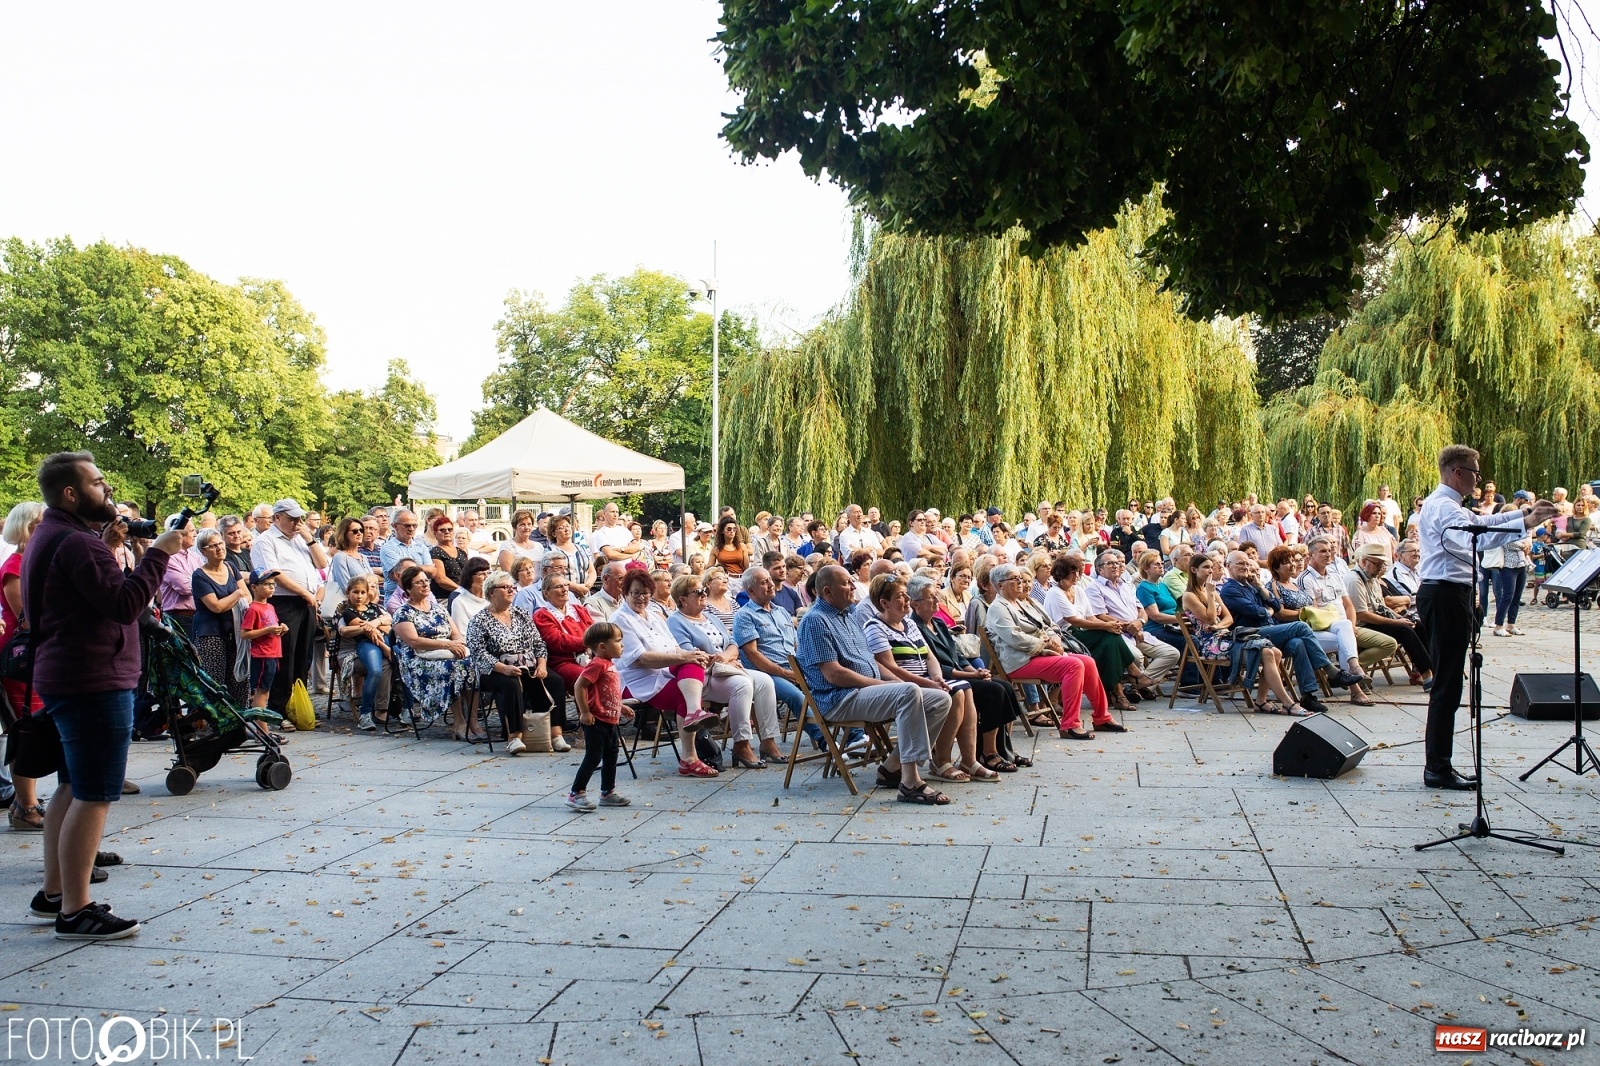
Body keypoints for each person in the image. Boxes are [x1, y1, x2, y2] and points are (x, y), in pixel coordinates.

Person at [23, 454, 185, 939]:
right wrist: (158, 553)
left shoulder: (54, 536)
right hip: (93, 679)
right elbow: (124, 605)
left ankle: (54, 893)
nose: (108, 489)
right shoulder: (77, 545)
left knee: (71, 787)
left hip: (68, 675)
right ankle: (76, 909)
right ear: (71, 494)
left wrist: (112, 544)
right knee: (94, 794)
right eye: (97, 483)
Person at [1417, 445, 1556, 789]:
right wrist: (1523, 521)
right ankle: (1437, 767)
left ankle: (1440, 763)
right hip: (1445, 593)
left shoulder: (1452, 506)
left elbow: (1480, 524)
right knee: (1447, 683)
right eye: (1475, 473)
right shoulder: (1443, 507)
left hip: (1453, 592)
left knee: (1451, 681)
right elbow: (1474, 537)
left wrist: (1522, 519)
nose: (1479, 480)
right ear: (1457, 472)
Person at [795, 564, 952, 804]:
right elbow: (834, 675)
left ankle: (892, 766)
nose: (853, 586)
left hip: (865, 691)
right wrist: (881, 685)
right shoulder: (816, 621)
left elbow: (873, 662)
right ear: (827, 592)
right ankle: (910, 782)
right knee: (909, 692)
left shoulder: (849, 615)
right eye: (846, 583)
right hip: (839, 698)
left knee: (940, 699)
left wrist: (897, 683)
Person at [987, 562, 1123, 740]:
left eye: (1020, 578)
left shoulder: (1027, 602)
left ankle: (1101, 717)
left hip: (1042, 653)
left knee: (1087, 662)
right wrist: (1045, 646)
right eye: (1014, 579)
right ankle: (1069, 725)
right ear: (1000, 585)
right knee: (1073, 665)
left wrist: (1054, 639)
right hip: (1021, 660)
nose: (1020, 582)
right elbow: (1015, 638)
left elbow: (1050, 624)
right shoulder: (998, 608)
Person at [864, 574, 979, 783]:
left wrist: (935, 676)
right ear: (884, 603)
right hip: (904, 685)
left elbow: (929, 655)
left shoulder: (908, 624)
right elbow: (888, 667)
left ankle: (968, 760)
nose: (907, 599)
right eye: (901, 596)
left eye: (907, 595)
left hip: (925, 680)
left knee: (965, 687)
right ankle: (941, 761)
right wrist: (929, 683)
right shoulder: (875, 627)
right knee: (953, 694)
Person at [613, 569, 721, 777]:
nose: (641, 597)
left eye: (645, 593)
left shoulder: (654, 616)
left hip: (663, 672)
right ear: (625, 592)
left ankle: (693, 716)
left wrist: (695, 654)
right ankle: (689, 756)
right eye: (635, 593)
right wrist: (684, 657)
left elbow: (674, 648)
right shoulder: (620, 619)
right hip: (637, 680)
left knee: (694, 661)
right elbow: (640, 659)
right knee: (686, 689)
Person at [668, 574, 782, 768]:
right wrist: (723, 659)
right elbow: (690, 653)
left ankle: (768, 741)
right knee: (742, 685)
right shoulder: (675, 622)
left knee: (764, 681)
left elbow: (732, 642)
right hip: (703, 676)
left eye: (704, 589)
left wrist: (727, 657)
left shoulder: (710, 616)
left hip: (727, 667)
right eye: (698, 591)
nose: (704, 593)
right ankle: (742, 744)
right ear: (683, 599)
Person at [1181, 554, 1306, 715]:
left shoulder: (1211, 591)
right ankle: (1287, 703)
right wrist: (1211, 597)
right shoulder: (1190, 596)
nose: (1210, 571)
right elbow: (1210, 617)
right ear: (1193, 569)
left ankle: (1261, 701)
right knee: (1267, 652)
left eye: (1211, 567)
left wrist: (1217, 625)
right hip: (1210, 644)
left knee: (1276, 652)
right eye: (1206, 567)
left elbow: (1228, 618)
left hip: (1226, 635)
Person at [1219, 551, 1341, 714]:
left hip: (1266, 633)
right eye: (1240, 563)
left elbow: (1276, 606)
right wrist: (1266, 611)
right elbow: (1257, 612)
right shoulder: (1229, 589)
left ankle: (1308, 695)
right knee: (1300, 626)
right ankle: (1329, 669)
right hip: (1250, 636)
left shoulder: (1251, 586)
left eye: (1247, 564)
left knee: (1298, 643)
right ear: (1228, 566)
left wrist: (1260, 587)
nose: (1245, 567)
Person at [468, 571, 565, 754]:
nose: (511, 590)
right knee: (511, 684)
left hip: (527, 665)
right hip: (495, 670)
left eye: (512, 587)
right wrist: (504, 669)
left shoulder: (520, 614)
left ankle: (555, 734)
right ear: (491, 592)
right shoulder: (479, 620)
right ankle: (515, 737)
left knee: (554, 681)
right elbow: (478, 653)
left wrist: (542, 665)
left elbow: (538, 643)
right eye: (505, 587)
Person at [251, 498, 328, 714]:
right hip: (284, 602)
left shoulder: (300, 539)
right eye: (292, 519)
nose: (297, 523)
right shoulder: (266, 540)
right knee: (285, 656)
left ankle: (298, 706)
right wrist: (303, 592)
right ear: (277, 518)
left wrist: (310, 539)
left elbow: (322, 564)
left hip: (306, 603)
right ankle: (279, 708)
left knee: (303, 656)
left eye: (299, 519)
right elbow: (274, 573)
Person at [1042, 555, 1141, 713]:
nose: (1077, 576)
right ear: (1062, 573)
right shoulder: (1055, 593)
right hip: (1065, 635)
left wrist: (1108, 625)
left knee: (1110, 639)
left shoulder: (1079, 590)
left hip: (1082, 633)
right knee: (1110, 637)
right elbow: (1074, 620)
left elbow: (1090, 617)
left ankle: (1118, 692)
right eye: (1072, 572)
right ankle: (1128, 678)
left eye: (1078, 572)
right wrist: (1106, 626)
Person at [2, 501, 46, 832]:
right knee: (25, 729)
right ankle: (25, 805)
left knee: (32, 727)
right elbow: (26, 618)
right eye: (36, 525)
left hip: (37, 655)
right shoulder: (15, 566)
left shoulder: (32, 561)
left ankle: (24, 801)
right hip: (20, 658)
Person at [391, 564, 472, 734]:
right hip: (417, 660)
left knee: (472, 665)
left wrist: (458, 645)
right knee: (454, 668)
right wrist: (448, 645)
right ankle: (459, 722)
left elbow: (456, 634)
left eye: (426, 581)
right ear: (408, 588)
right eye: (419, 582)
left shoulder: (439, 608)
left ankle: (472, 720)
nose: (425, 584)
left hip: (445, 653)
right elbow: (414, 641)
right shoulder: (403, 612)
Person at [1083, 550, 1179, 692]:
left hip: (1138, 631)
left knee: (1171, 654)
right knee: (1136, 657)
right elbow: (1100, 616)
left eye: (1117, 562)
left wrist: (1140, 622)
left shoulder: (1126, 585)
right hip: (1118, 634)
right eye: (1110, 563)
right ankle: (1139, 686)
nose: (1116, 566)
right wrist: (1130, 626)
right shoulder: (1094, 588)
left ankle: (1137, 687)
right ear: (1099, 569)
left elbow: (1141, 610)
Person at [566, 622, 633, 811]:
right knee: (593, 756)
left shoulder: (608, 664)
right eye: (618, 641)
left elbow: (606, 693)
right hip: (596, 720)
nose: (622, 645)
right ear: (602, 646)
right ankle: (576, 793)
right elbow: (580, 686)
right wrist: (585, 712)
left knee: (611, 755)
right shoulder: (596, 664)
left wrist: (620, 707)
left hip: (610, 719)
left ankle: (607, 792)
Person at [1347, 543, 1434, 686]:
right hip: (1363, 624)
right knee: (1404, 630)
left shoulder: (1373, 578)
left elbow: (1381, 605)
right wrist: (1396, 622)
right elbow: (1363, 615)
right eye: (1377, 564)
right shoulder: (1354, 580)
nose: (1380, 568)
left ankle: (1429, 669)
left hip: (1377, 618)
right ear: (1364, 562)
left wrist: (1399, 617)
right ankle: (1427, 675)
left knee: (1417, 624)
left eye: (1382, 564)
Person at [190, 528, 251, 707]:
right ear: (203, 551)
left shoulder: (231, 568)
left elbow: (248, 597)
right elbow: (216, 606)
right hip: (210, 634)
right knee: (212, 681)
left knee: (239, 679)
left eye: (220, 544)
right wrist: (237, 594)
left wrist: (239, 595)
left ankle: (239, 721)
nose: (219, 548)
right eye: (213, 546)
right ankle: (212, 724)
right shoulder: (199, 575)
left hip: (235, 633)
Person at [336, 576, 392, 731]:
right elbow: (345, 630)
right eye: (355, 592)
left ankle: (386, 708)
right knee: (376, 669)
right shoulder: (346, 611)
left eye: (363, 592)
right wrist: (376, 628)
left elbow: (388, 625)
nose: (359, 596)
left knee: (393, 664)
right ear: (348, 593)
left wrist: (376, 624)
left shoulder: (375, 609)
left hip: (376, 646)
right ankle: (365, 713)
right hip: (353, 652)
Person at [533, 573, 597, 694]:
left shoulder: (579, 610)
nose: (564, 589)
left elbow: (594, 631)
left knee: (610, 671)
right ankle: (586, 712)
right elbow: (559, 642)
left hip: (588, 657)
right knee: (587, 677)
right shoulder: (542, 615)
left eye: (566, 585)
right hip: (562, 663)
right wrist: (588, 642)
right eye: (558, 586)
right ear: (546, 593)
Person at [242, 570, 289, 712]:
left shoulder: (270, 606)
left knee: (266, 691)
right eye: (266, 584)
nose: (271, 587)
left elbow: (271, 630)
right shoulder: (253, 609)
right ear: (254, 587)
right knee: (261, 692)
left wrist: (281, 630)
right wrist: (267, 630)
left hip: (273, 654)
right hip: (262, 655)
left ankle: (262, 727)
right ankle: (261, 729)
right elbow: (245, 634)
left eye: (273, 584)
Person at [156, 519, 200, 636]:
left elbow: (209, 580)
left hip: (198, 616)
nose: (195, 534)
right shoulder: (168, 558)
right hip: (179, 617)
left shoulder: (195, 557)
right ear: (179, 534)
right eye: (191, 531)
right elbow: (184, 587)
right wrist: (204, 585)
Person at [426, 513, 465, 600]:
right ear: (435, 533)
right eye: (442, 530)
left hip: (464, 596)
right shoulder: (435, 552)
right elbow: (441, 579)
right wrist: (462, 591)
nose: (447, 532)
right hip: (445, 598)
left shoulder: (461, 552)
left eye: (450, 529)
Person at [449, 558, 492, 635]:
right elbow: (463, 633)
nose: (487, 577)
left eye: (489, 573)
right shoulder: (459, 602)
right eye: (481, 574)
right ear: (469, 577)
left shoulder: (493, 597)